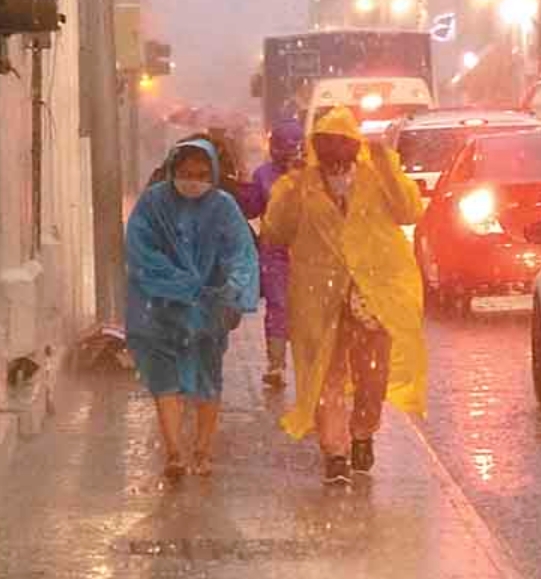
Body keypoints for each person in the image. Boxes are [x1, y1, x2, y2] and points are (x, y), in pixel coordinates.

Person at [261, 106, 427, 485]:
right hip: (319, 297)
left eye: (343, 143)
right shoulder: (300, 185)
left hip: (373, 293)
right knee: (325, 373)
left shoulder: (376, 178)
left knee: (373, 374)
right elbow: (276, 231)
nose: (335, 151)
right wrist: (291, 185)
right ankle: (334, 452)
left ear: (355, 146)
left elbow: (409, 210)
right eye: (327, 143)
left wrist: (385, 161)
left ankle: (363, 432)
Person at [125, 138, 260, 478]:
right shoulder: (153, 204)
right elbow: (140, 251)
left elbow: (241, 254)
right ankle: (173, 452)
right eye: (186, 173)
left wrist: (229, 290)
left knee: (207, 379)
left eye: (202, 174)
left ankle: (202, 450)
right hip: (160, 306)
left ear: (213, 174)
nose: (193, 181)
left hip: (207, 310)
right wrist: (180, 283)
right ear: (172, 171)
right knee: (164, 379)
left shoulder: (224, 207)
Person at [239, 119, 305, 389]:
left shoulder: (313, 173)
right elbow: (253, 208)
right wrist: (242, 189)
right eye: (282, 145)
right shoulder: (263, 174)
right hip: (275, 251)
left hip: (311, 251)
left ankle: (311, 365)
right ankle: (276, 365)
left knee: (309, 310)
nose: (288, 150)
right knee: (278, 307)